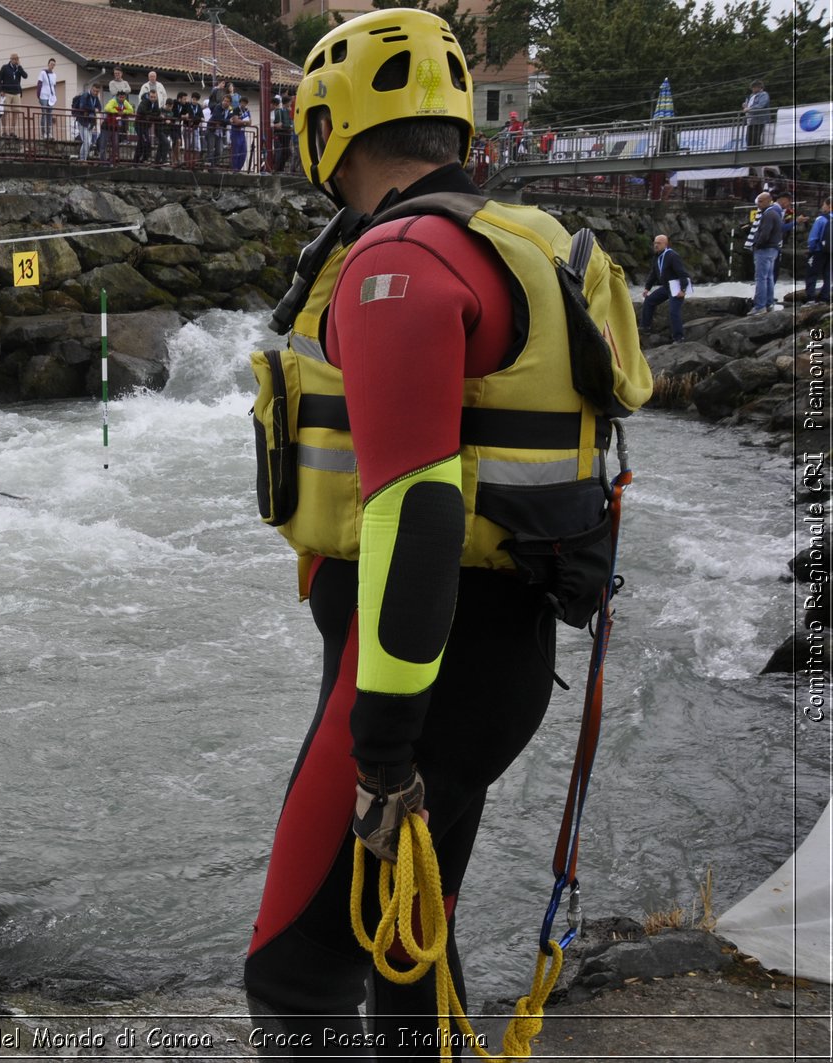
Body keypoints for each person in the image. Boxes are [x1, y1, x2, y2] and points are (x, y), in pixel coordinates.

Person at [245, 7, 648, 1055]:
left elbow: (416, 510)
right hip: (495, 657)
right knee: (407, 943)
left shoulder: (400, 263)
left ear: (328, 127)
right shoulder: (512, 244)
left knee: (293, 972)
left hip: (409, 678)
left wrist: (380, 743)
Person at [640, 233, 691, 341]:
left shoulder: (672, 256)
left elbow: (683, 274)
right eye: (654, 243)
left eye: (659, 243)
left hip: (676, 287)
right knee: (649, 301)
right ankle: (645, 327)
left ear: (666, 244)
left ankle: (679, 338)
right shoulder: (657, 256)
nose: (656, 245)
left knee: (673, 311)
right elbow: (653, 274)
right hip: (666, 287)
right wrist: (647, 288)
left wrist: (683, 290)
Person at [748, 190, 787, 313]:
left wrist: (757, 245)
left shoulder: (768, 214)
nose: (758, 204)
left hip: (764, 250)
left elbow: (765, 233)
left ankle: (760, 306)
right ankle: (769, 303)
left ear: (768, 201)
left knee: (761, 279)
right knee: (769, 278)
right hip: (773, 249)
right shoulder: (776, 213)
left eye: (760, 201)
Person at [807, 196, 831, 304]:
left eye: (824, 204)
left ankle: (810, 297)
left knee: (812, 273)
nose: (822, 206)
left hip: (818, 250)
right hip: (831, 251)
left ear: (829, 206)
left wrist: (811, 250)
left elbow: (813, 237)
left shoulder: (821, 219)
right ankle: (825, 297)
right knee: (828, 274)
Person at [101, 87, 132, 163]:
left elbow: (131, 110)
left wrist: (123, 112)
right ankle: (103, 161)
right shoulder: (113, 101)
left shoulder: (125, 102)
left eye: (123, 97)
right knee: (103, 145)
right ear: (117, 96)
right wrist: (117, 111)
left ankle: (112, 160)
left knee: (115, 145)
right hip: (107, 126)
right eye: (120, 97)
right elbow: (107, 108)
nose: (121, 99)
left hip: (115, 127)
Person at [73, 81, 100, 160]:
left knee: (88, 142)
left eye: (97, 91)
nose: (95, 93)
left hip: (90, 122)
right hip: (82, 121)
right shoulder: (85, 95)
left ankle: (83, 159)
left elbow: (100, 107)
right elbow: (82, 106)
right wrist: (93, 109)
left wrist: (94, 110)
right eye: (94, 90)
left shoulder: (96, 98)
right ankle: (82, 159)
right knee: (86, 142)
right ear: (91, 89)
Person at [742, 81, 770, 148]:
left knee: (755, 138)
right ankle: (750, 152)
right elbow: (749, 105)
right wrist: (745, 105)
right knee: (749, 139)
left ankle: (755, 152)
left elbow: (761, 105)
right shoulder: (751, 96)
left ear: (759, 87)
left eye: (754, 87)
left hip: (759, 120)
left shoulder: (764, 94)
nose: (753, 89)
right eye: (752, 88)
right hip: (750, 120)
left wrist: (749, 109)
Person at [36, 58, 58, 140]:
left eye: (54, 64)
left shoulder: (54, 75)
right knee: (44, 113)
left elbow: (54, 86)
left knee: (50, 114)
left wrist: (54, 95)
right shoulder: (43, 73)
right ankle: (43, 133)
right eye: (51, 64)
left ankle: (49, 133)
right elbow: (39, 84)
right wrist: (38, 95)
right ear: (48, 64)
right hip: (43, 95)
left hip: (50, 97)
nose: (52, 66)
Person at [228, 93, 250, 171]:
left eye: (245, 103)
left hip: (242, 132)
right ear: (240, 102)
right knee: (236, 151)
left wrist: (242, 122)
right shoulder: (235, 109)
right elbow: (236, 121)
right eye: (242, 102)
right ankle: (234, 169)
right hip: (235, 132)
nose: (244, 104)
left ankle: (239, 168)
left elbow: (250, 122)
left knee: (244, 151)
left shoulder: (247, 110)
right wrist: (244, 122)